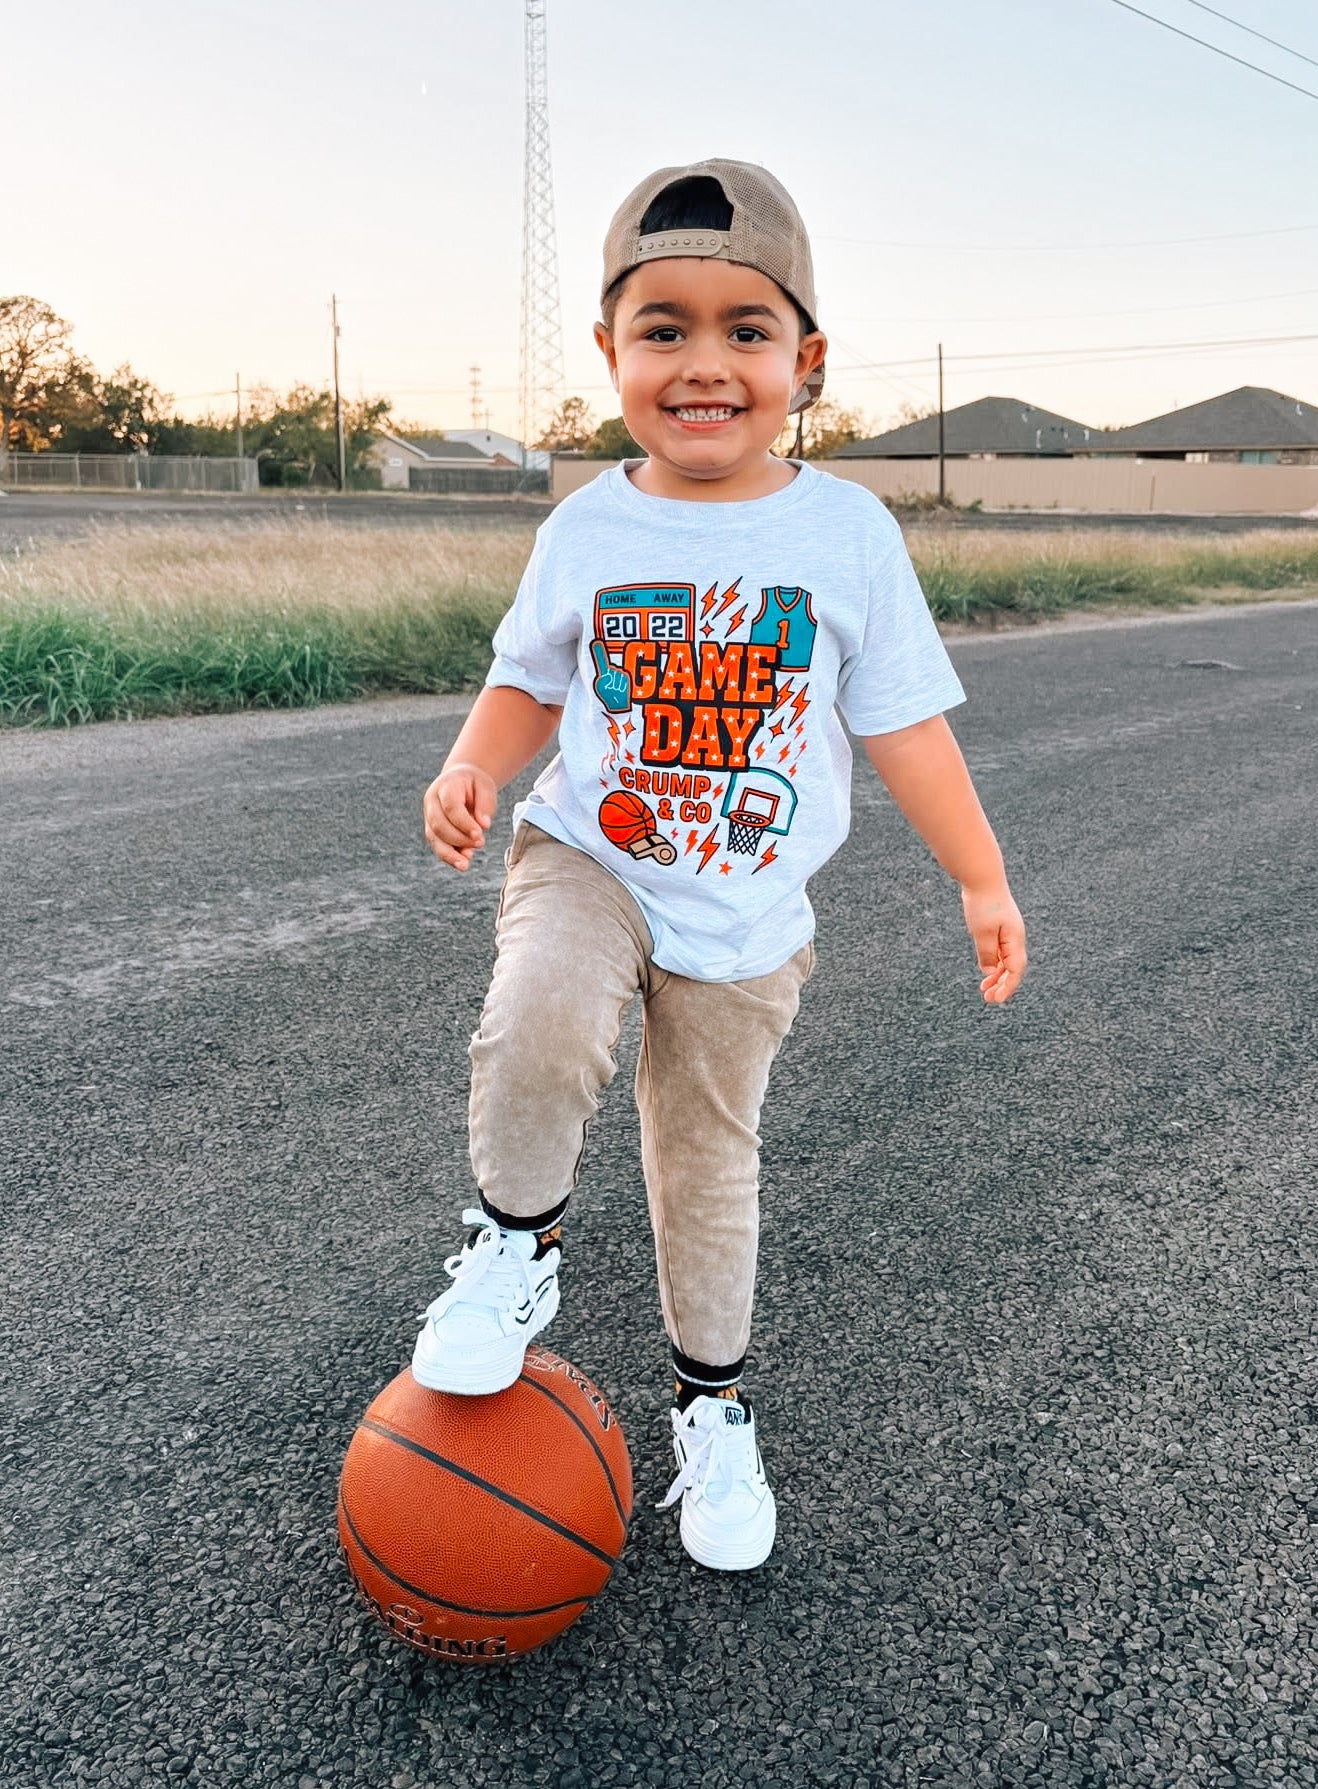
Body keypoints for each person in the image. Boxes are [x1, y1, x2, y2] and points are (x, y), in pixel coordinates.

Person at [414, 158, 1027, 1571]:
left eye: (743, 330)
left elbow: (906, 729)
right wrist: (468, 765)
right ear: (608, 355)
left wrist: (979, 877)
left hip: (749, 912)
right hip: (594, 851)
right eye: (663, 327)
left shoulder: (845, 535)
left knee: (705, 1167)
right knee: (537, 1017)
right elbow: (526, 678)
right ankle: (512, 1245)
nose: (703, 364)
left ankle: (712, 1412)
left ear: (804, 361)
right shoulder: (589, 524)